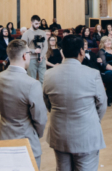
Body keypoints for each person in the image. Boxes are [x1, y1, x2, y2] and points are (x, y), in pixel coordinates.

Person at [43, 36, 107, 171]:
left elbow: (47, 103)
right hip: (86, 134)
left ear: (62, 52)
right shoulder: (92, 74)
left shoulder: (48, 74)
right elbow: (102, 104)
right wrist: (93, 120)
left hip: (59, 132)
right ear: (81, 51)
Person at [0, 40, 48, 167]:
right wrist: (36, 134)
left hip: (3, 138)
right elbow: (40, 118)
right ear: (24, 56)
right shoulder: (32, 84)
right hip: (25, 140)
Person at [22, 15, 48, 85]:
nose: (38, 25)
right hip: (31, 59)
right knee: (32, 80)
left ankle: (43, 96)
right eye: (36, 24)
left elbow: (45, 46)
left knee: (43, 80)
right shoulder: (26, 33)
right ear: (31, 23)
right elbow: (23, 47)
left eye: (39, 23)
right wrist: (34, 51)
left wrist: (41, 56)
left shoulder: (42, 32)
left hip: (42, 59)